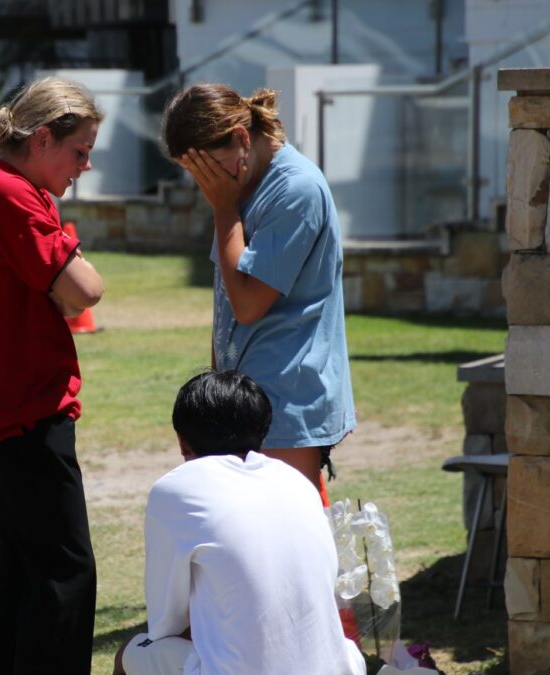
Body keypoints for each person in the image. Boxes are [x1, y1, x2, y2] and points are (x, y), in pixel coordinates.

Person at [0, 77, 105, 675]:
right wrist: (67, 241)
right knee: (66, 571)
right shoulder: (8, 195)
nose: (84, 167)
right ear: (42, 140)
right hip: (24, 414)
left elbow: (67, 297)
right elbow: (85, 290)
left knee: (21, 571)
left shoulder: (6, 191)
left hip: (8, 412)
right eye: (79, 151)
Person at [162, 84, 356, 493]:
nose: (207, 184)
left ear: (242, 138)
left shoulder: (294, 190)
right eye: (196, 175)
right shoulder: (238, 185)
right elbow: (227, 299)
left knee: (287, 537)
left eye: (211, 169)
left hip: (287, 401)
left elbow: (248, 304)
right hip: (242, 396)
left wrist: (224, 210)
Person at [115, 370, 366, 675]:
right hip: (338, 669)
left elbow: (166, 623)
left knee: (129, 654)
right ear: (263, 433)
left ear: (183, 442)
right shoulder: (296, 481)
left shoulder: (176, 489)